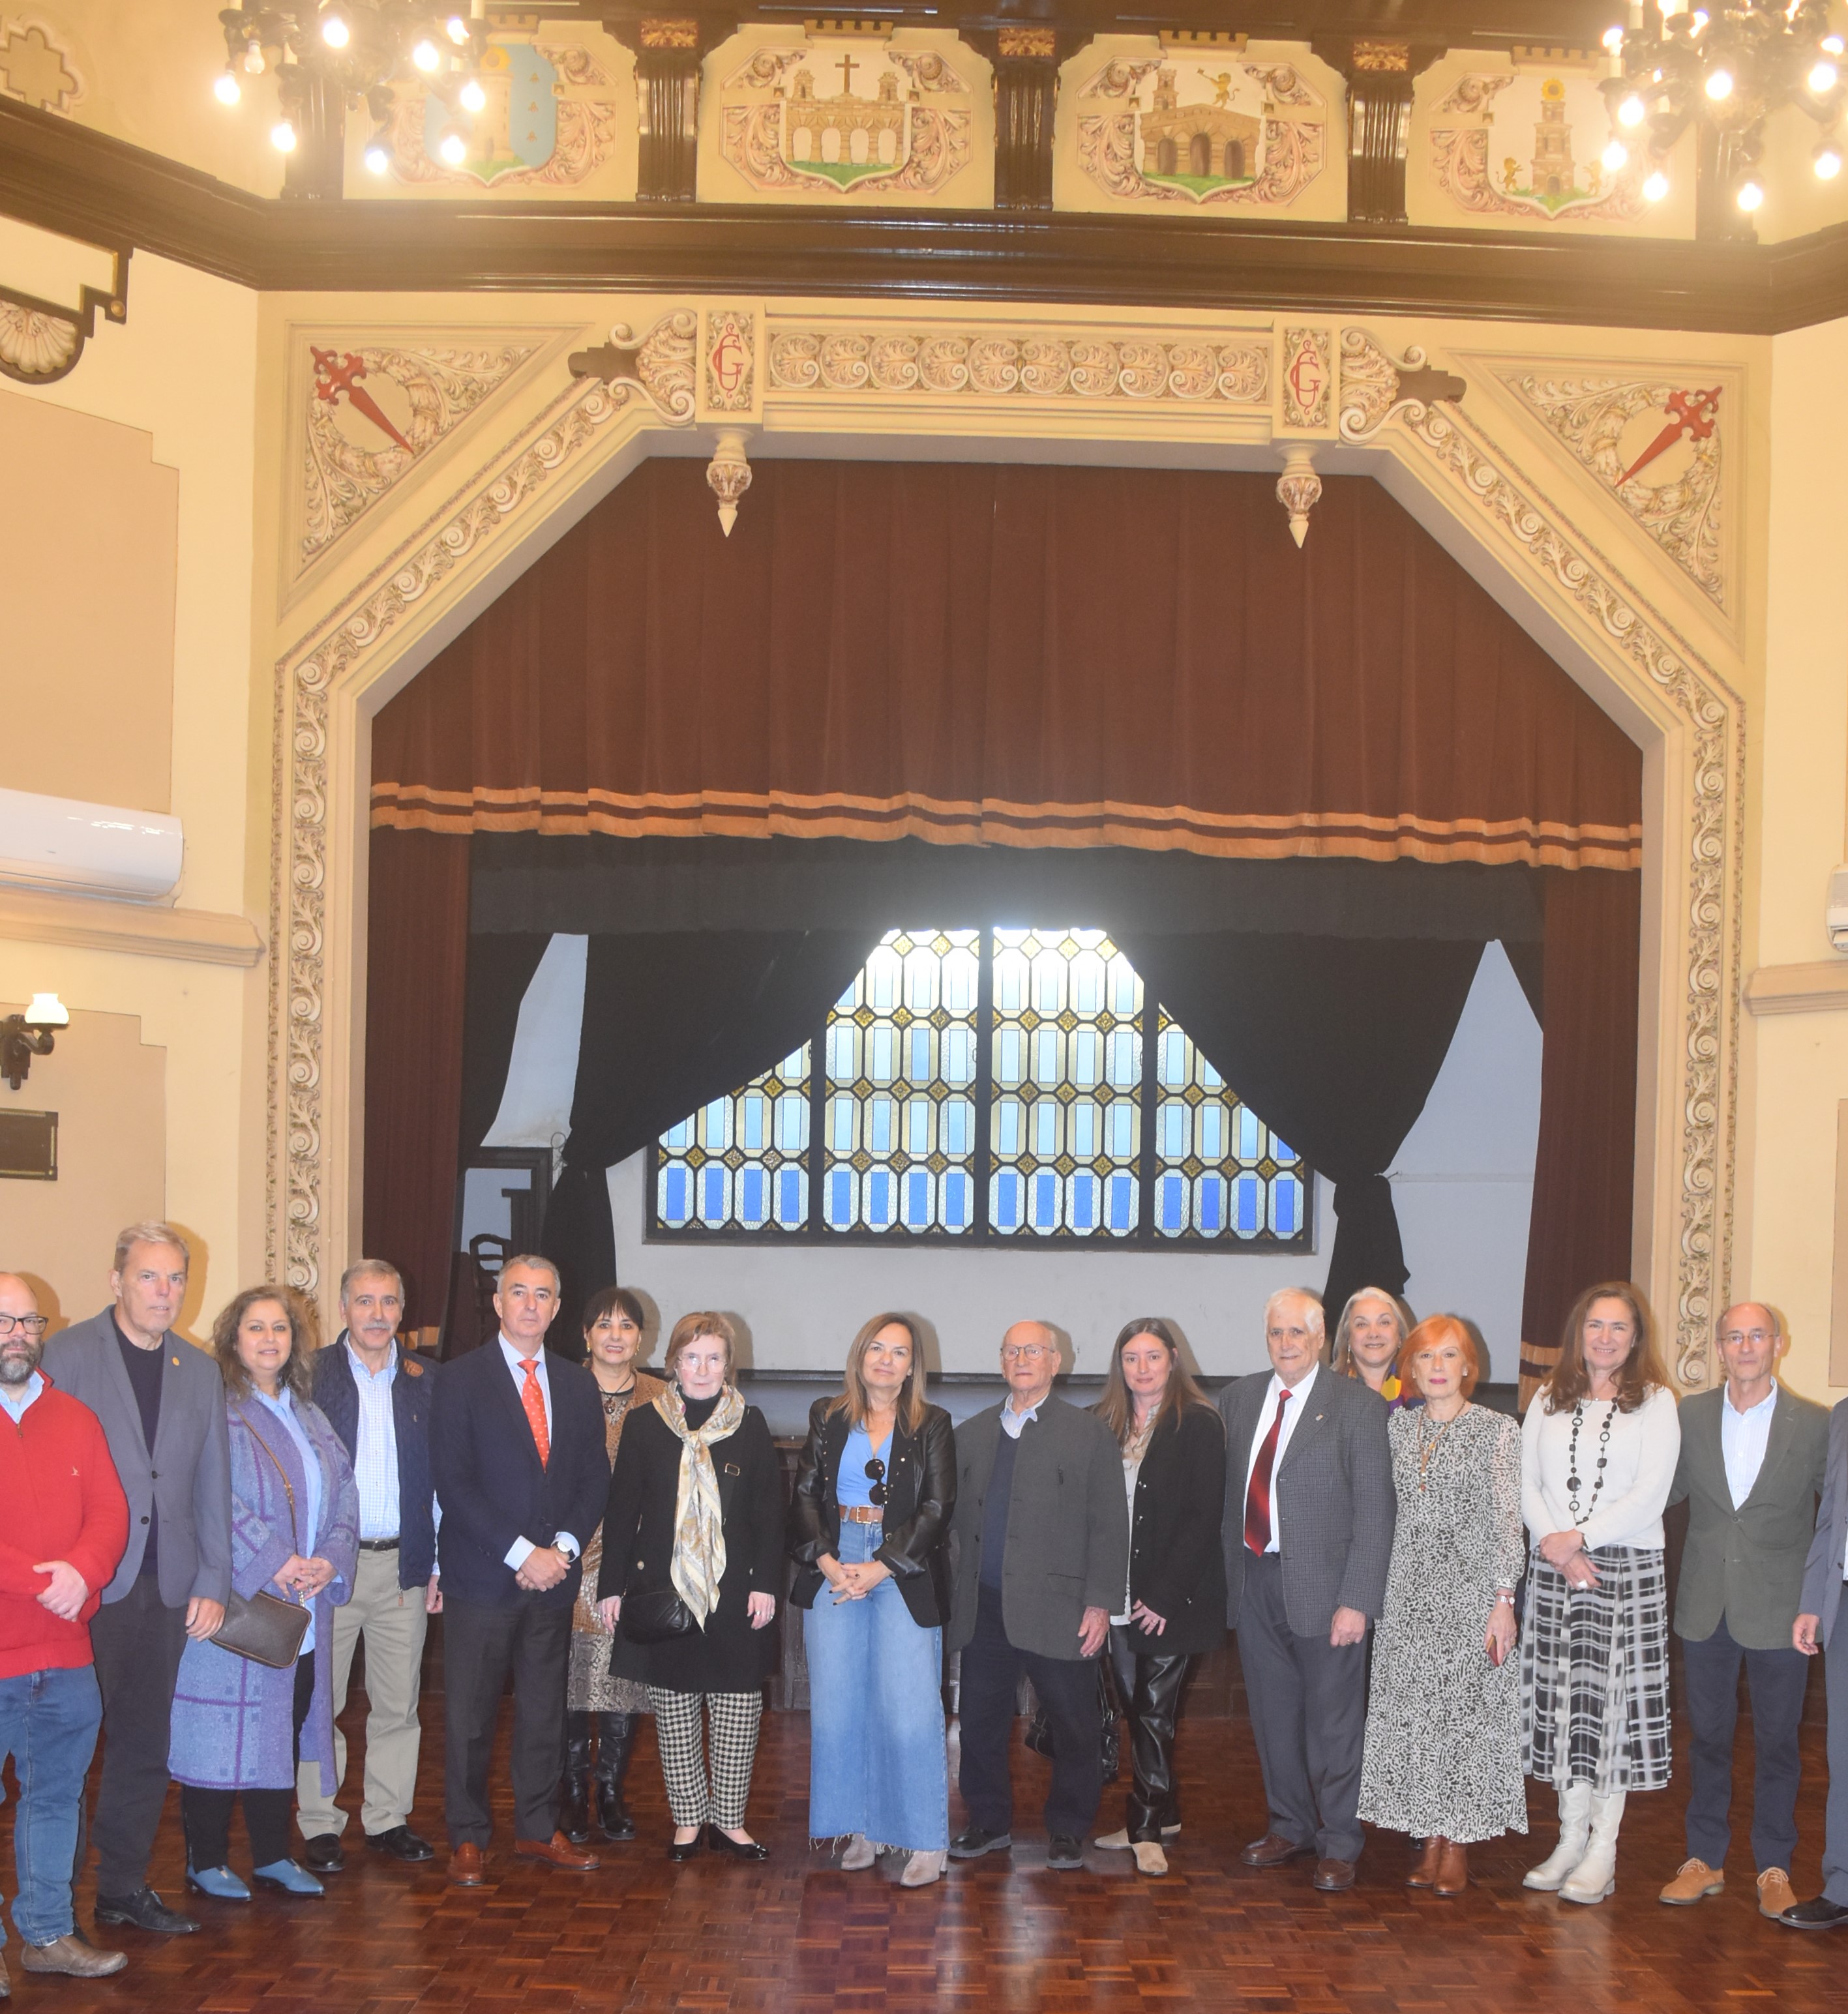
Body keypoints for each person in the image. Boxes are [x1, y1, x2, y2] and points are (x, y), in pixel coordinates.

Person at [43, 1222, 231, 1939]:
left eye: (177, 1277)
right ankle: (50, 1905)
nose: (165, 1291)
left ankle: (120, 1886)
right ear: (116, 1279)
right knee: (65, 1749)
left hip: (170, 1588)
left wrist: (212, 1576)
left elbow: (212, 1479)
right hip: (87, 1591)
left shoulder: (200, 1367)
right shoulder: (65, 1353)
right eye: (150, 1276)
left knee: (145, 1746)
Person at [168, 1286, 360, 1900]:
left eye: (280, 1328)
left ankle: (273, 1854)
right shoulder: (216, 1408)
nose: (270, 1339)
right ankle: (205, 1859)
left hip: (299, 1606)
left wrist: (328, 1560)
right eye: (256, 1328)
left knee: (284, 1727)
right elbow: (210, 1495)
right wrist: (276, 1560)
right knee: (217, 1731)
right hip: (238, 1600)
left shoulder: (308, 1412)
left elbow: (345, 1492)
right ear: (232, 1339)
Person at [430, 1254, 610, 1888]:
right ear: (499, 1303)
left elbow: (593, 1477)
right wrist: (519, 1553)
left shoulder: (576, 1382)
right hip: (481, 1576)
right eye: (518, 1292)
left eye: (543, 1294)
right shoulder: (456, 1380)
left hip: (552, 1579)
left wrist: (558, 1548)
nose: (530, 1304)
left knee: (543, 1712)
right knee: (471, 1714)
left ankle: (537, 1826)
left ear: (557, 1308)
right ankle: (468, 1835)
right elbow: (453, 1482)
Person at [1217, 1286, 1393, 1893]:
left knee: (1334, 1724)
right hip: (1254, 1578)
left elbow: (1376, 1510)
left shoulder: (1356, 1405)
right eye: (1276, 1333)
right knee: (1274, 1717)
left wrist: (1360, 1600)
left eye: (1297, 1332)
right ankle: (1290, 1824)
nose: (1286, 1343)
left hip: (1329, 1589)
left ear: (1320, 1338)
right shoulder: (1238, 1399)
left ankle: (1341, 1841)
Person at [1658, 1303, 1826, 1919]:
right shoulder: (1691, 1414)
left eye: (1758, 1335)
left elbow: (1832, 1518)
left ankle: (1774, 1866)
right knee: (1708, 1737)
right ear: (1721, 1347)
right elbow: (1661, 1491)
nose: (1747, 1345)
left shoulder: (1815, 1423)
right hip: (1705, 1605)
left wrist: (1818, 1602)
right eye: (1735, 1336)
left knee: (1780, 1742)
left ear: (1778, 1344)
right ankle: (1703, 1859)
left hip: (1783, 1612)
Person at [598, 1312, 782, 1861]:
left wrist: (767, 1583)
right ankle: (687, 1820)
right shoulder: (644, 1424)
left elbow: (770, 1515)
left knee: (737, 1710)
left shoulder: (751, 1424)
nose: (702, 1368)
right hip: (662, 1592)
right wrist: (611, 1588)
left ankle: (728, 1820)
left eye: (714, 1357)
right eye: (692, 1356)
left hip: (736, 1593)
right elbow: (622, 1510)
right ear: (674, 1361)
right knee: (675, 1711)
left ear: (729, 1364)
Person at [946, 1321, 1129, 1873]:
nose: (1023, 1358)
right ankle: (987, 1821)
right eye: (1013, 1350)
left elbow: (1108, 1525)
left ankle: (1070, 1827)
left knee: (1075, 1724)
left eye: (1035, 1350)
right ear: (1001, 1361)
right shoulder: (971, 1433)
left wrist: (1100, 1601)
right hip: (985, 1607)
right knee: (978, 1721)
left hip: (1061, 1609)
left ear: (1057, 1360)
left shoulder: (1088, 1432)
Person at [1520, 1281, 1680, 1906]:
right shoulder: (1548, 1398)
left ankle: (1603, 1850)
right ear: (1578, 1333)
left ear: (1636, 1337)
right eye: (1595, 1325)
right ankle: (1568, 1839)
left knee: (1610, 1708)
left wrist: (1580, 1536)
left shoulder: (1658, 1402)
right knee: (1567, 1706)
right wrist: (1557, 1545)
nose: (1606, 1337)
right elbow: (1526, 1479)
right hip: (1558, 1569)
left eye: (1618, 1327)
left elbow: (1651, 1492)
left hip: (1625, 1568)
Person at [1358, 1314, 1525, 1895]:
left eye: (1449, 1356)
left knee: (1464, 1720)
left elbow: (1509, 1524)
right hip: (1406, 1594)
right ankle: (1427, 1837)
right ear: (1411, 1368)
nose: (1436, 1368)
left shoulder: (1497, 1430)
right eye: (1426, 1357)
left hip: (1470, 1594)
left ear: (1468, 1366)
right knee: (1419, 1720)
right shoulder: (1398, 1429)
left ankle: (1457, 1844)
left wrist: (1503, 1600)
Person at [788, 1312, 955, 1888]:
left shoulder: (932, 1423)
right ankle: (862, 1827)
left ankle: (926, 1840)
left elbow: (937, 1508)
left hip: (899, 1567)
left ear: (913, 1365)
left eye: (900, 1351)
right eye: (877, 1348)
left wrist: (880, 1565)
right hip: (836, 1561)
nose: (887, 1359)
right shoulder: (827, 1416)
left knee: (910, 1711)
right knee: (840, 1707)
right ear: (860, 1355)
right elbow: (806, 1493)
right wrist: (831, 1561)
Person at [0, 1273, 130, 1988]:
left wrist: (85, 1569)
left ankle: (47, 1932)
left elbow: (110, 1512)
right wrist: (46, 1580)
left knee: (56, 1796)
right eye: (4, 1320)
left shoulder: (76, 1416)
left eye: (29, 1320)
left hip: (66, 1653)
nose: (18, 1333)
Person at [296, 1260, 441, 1871]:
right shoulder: (309, 1375)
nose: (377, 1314)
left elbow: (442, 1482)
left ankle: (387, 1818)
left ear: (401, 1312)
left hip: (403, 1566)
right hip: (330, 1569)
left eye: (388, 1302)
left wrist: (437, 1562)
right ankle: (319, 1821)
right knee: (318, 1703)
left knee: (397, 1704)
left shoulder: (426, 1379)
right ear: (344, 1307)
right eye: (364, 1301)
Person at [1090, 1318, 1225, 1878]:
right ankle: (1163, 1810)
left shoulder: (1197, 1423)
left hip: (1173, 1596)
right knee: (1136, 1708)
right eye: (1130, 1358)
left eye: (1152, 1356)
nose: (1141, 1368)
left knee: (1152, 1710)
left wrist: (1165, 1595)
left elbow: (1202, 1517)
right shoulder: (1104, 1424)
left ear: (1173, 1358)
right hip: (1116, 1592)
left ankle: (1145, 1828)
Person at [561, 1287, 664, 1846]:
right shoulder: (562, 1387)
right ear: (586, 1335)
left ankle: (610, 1792)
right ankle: (573, 1793)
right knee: (571, 1681)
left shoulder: (660, 1396)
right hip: (566, 1553)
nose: (616, 1335)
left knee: (623, 1680)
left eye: (627, 1325)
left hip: (633, 1559)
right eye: (604, 1325)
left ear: (641, 1337)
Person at [1787, 1382, 1848, 1927]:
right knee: (1845, 1751)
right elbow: (1830, 1517)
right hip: (1844, 1604)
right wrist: (1813, 1603)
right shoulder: (1845, 1416)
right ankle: (1842, 1883)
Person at [1332, 1288, 1418, 1410]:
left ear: (1400, 1336)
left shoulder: (1422, 1390)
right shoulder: (1327, 1393)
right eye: (1362, 1324)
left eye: (1384, 1323)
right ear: (1348, 1338)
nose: (1373, 1333)